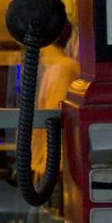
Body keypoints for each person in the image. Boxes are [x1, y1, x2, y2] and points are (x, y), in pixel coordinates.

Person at [31, 21, 80, 186]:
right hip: (52, 165)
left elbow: (55, 122)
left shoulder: (62, 70)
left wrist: (48, 166)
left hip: (55, 167)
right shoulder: (57, 69)